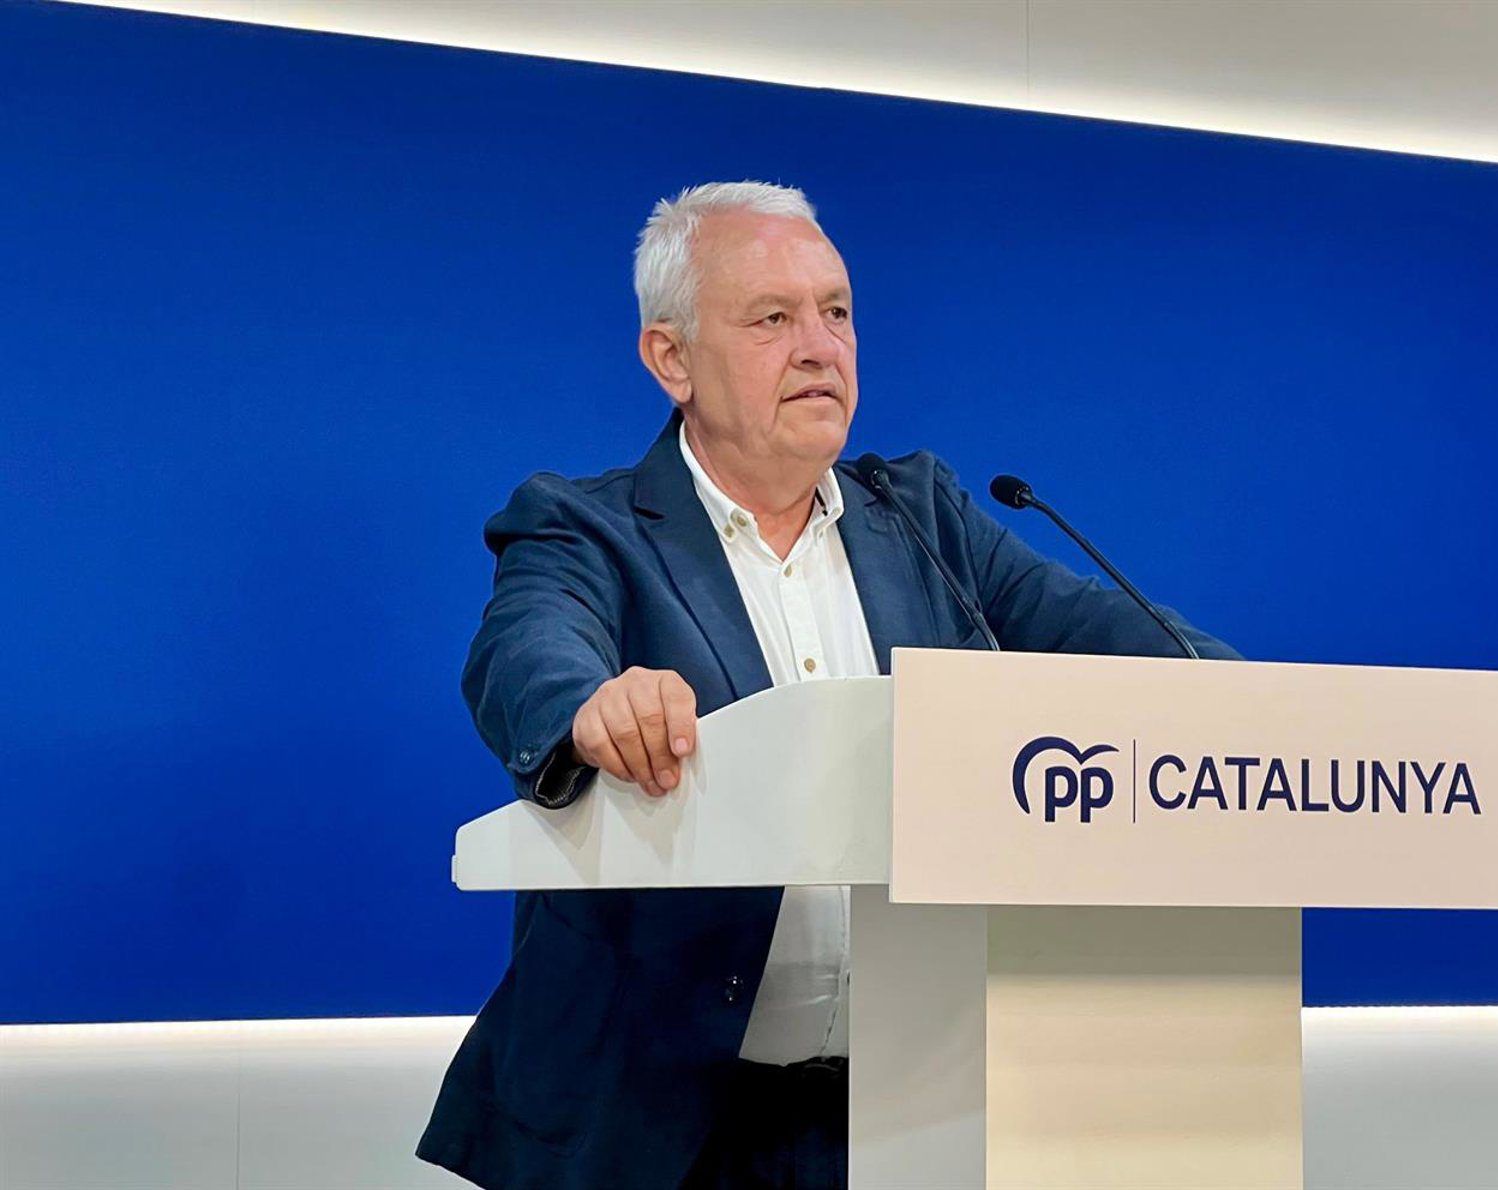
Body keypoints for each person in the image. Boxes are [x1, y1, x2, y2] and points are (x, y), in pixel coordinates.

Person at [416, 180, 1238, 1190]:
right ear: (671, 358)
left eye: (836, 312)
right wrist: (591, 707)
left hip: (911, 1115)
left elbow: (1106, 633)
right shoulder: (586, 525)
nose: (819, 347)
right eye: (772, 318)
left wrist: (1254, 706)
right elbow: (526, 650)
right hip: (657, 1123)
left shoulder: (923, 519)